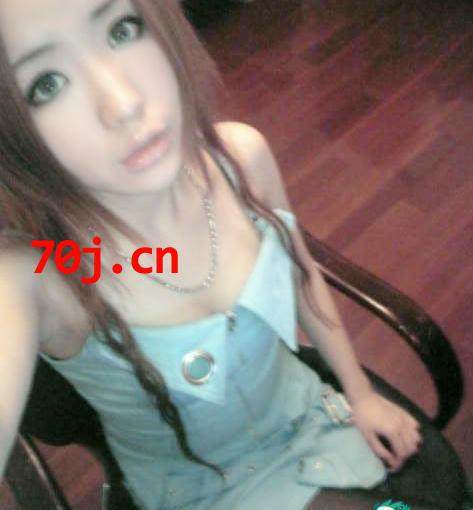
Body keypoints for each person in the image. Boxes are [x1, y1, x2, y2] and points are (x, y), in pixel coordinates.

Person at [0, 1, 448, 509]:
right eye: (46, 85)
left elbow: (302, 273)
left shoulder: (239, 159)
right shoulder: (39, 271)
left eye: (123, 29)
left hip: (309, 419)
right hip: (195, 492)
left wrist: (360, 392)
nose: (123, 103)